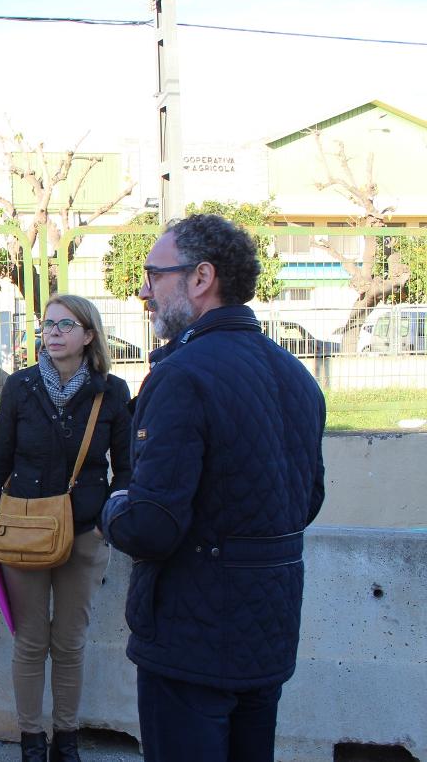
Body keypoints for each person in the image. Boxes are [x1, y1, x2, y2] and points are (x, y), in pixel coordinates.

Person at [101, 214, 326, 762]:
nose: (144, 291)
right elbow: (306, 501)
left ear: (201, 278)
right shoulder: (296, 373)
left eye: (154, 275)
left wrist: (112, 508)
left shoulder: (182, 374)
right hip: (267, 631)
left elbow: (152, 525)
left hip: (191, 639)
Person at [0, 294, 132, 762]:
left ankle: (66, 740)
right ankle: (31, 741)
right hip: (23, 532)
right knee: (30, 641)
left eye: (66, 325)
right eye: (48, 325)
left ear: (89, 335)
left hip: (85, 533)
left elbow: (126, 469)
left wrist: (106, 523)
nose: (54, 333)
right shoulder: (21, 387)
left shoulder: (112, 391)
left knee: (69, 642)